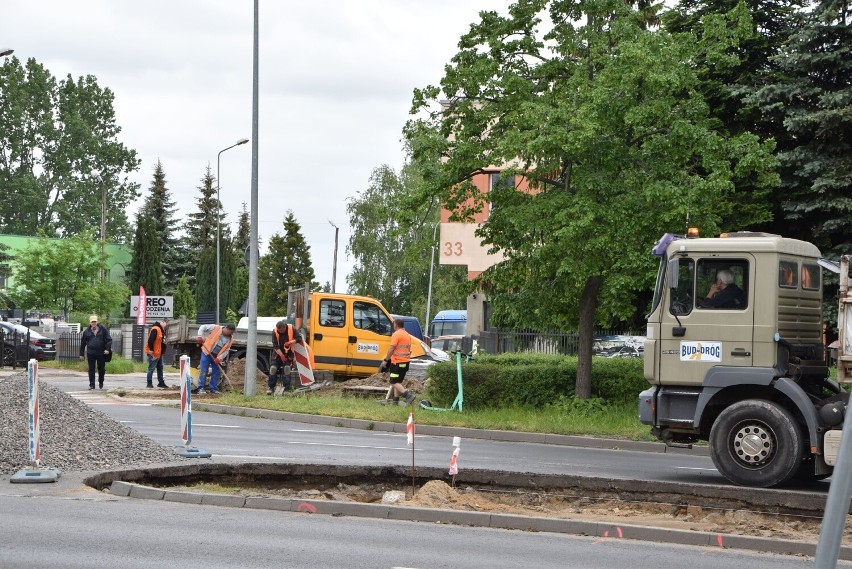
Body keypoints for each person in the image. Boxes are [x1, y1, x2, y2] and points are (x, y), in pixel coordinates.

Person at [381, 319, 416, 405]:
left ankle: (408, 395)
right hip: (405, 362)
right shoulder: (407, 335)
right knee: (398, 382)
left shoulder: (396, 334)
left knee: (393, 382)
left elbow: (391, 348)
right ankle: (395, 400)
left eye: (393, 325)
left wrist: (386, 360)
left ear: (396, 325)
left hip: (397, 362)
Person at [195, 323, 236, 395]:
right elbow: (203, 326)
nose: (231, 334)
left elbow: (226, 350)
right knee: (204, 370)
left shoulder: (230, 339)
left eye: (232, 332)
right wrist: (199, 336)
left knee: (216, 372)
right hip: (206, 352)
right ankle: (201, 388)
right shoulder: (216, 328)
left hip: (216, 356)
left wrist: (219, 358)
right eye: (231, 332)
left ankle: (213, 388)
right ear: (226, 329)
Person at [267, 320, 303, 395]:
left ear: (284, 327)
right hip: (278, 353)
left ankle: (286, 389)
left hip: (289, 353)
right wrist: (282, 355)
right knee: (273, 369)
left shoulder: (292, 328)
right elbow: (275, 346)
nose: (280, 331)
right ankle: (271, 387)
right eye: (279, 330)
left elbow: (299, 338)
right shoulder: (274, 331)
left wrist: (291, 342)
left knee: (287, 369)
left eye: (281, 330)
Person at [79, 315, 112, 390]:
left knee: (101, 369)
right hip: (91, 352)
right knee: (91, 369)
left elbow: (109, 339)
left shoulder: (103, 329)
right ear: (90, 322)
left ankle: (101, 381)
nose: (94, 323)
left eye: (95, 321)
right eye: (92, 322)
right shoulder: (86, 331)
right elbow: (83, 343)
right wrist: (81, 354)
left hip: (101, 352)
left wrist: (107, 349)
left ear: (97, 322)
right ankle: (92, 385)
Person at [145, 320, 169, 389]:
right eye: (165, 324)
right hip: (153, 353)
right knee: (151, 368)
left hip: (158, 353)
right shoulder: (156, 329)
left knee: (160, 367)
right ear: (162, 322)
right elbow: (150, 340)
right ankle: (149, 383)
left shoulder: (161, 330)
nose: (166, 326)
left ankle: (161, 382)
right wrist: (151, 350)